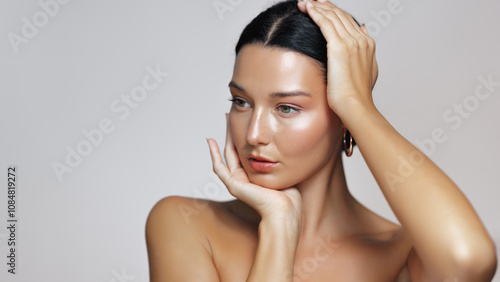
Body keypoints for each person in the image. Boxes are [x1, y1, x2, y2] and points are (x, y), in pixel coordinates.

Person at [145, 0, 497, 281]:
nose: (253, 134)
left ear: (342, 115)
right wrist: (279, 230)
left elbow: (468, 260)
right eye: (241, 102)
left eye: (286, 107)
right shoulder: (185, 225)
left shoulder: (398, 255)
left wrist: (359, 107)